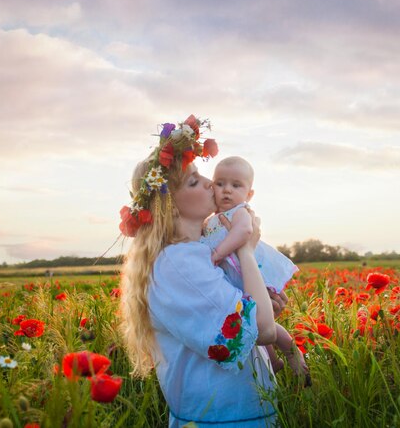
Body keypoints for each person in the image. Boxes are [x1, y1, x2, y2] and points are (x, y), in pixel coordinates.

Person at [120, 116, 282, 427]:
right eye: (194, 181)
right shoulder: (178, 264)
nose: (211, 183)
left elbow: (251, 317)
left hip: (242, 413)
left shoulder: (200, 252)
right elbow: (263, 331)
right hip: (221, 420)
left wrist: (264, 302)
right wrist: (246, 251)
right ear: (168, 205)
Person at [202, 156, 307, 376]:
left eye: (236, 185)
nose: (226, 190)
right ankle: (274, 360)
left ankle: (289, 349)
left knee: (262, 318)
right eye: (219, 184)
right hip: (233, 277)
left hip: (248, 272)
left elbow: (244, 232)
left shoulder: (240, 212)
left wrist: (218, 253)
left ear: (249, 194)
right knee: (252, 321)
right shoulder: (210, 220)